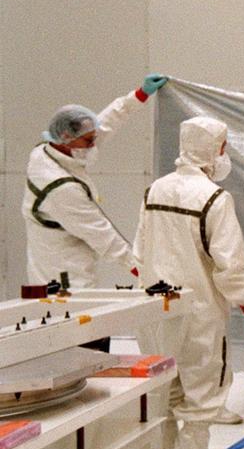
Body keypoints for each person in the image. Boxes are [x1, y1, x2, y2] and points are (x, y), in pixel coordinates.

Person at [134, 117, 244, 449]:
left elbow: (138, 253)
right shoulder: (214, 198)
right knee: (200, 409)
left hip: (156, 315)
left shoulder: (154, 190)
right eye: (223, 146)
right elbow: (229, 265)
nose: (225, 153)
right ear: (212, 150)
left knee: (164, 401)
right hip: (200, 318)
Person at [24, 75, 168, 290]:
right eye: (88, 141)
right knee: (71, 320)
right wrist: (144, 273)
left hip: (59, 261)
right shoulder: (60, 187)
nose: (94, 144)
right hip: (64, 278)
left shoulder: (48, 150)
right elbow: (104, 237)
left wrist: (139, 95)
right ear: (65, 137)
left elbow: (105, 123)